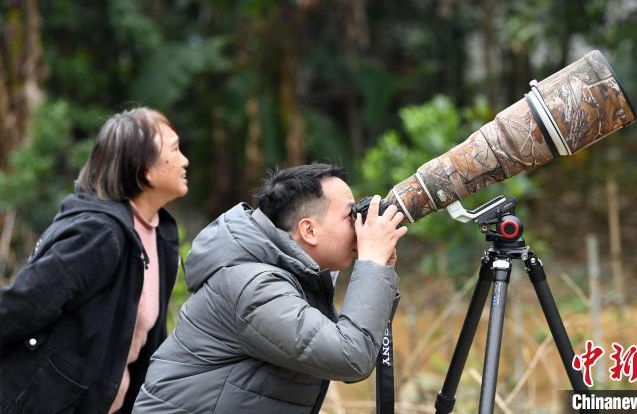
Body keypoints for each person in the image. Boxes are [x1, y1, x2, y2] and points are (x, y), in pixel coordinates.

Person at [133, 164, 407, 413]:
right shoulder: (253, 287)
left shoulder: (294, 277)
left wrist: (378, 272)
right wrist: (372, 265)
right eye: (351, 215)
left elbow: (351, 355)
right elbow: (350, 358)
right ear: (309, 230)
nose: (359, 225)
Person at [0, 107, 189, 413]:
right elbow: (23, 305)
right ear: (144, 170)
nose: (185, 160)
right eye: (175, 150)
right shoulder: (99, 234)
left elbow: (147, 346)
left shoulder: (161, 235)